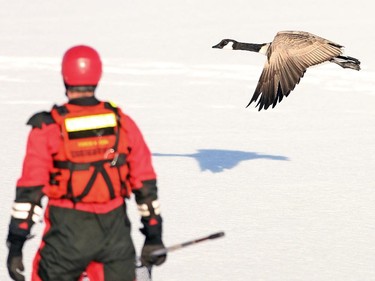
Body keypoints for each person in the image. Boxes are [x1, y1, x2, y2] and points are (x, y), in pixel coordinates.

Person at [6, 45, 166, 281]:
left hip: (65, 238)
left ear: (65, 77)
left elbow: (30, 192)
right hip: (115, 237)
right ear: (97, 76)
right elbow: (145, 185)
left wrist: (16, 244)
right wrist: (153, 235)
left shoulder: (48, 127)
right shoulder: (122, 123)